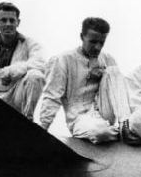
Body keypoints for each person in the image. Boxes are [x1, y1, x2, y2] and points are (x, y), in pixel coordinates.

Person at [39, 16, 132, 144]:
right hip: (79, 118)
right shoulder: (63, 60)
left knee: (113, 71)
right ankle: (115, 131)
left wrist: (104, 75)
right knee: (100, 132)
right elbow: (52, 96)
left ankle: (124, 125)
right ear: (82, 37)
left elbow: (119, 90)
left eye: (101, 43)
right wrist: (43, 128)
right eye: (93, 42)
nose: (98, 47)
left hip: (103, 112)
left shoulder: (107, 58)